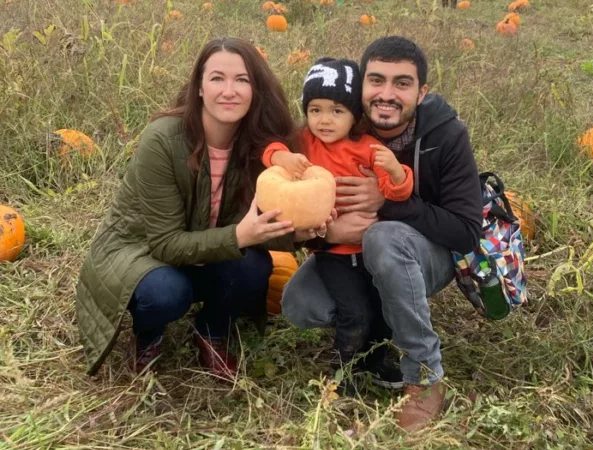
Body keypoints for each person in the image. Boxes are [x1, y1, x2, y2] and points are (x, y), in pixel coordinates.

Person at [75, 37, 324, 379]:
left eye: (242, 80)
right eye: (217, 78)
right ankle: (148, 334)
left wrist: (296, 233)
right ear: (200, 89)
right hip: (142, 252)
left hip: (209, 248)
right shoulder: (163, 139)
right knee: (165, 293)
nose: (229, 90)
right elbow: (164, 243)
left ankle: (211, 331)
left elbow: (257, 223)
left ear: (256, 91)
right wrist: (240, 235)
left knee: (255, 267)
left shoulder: (259, 149)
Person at [281, 36, 483, 431]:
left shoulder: (446, 136)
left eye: (402, 83)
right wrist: (323, 234)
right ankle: (372, 344)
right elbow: (293, 208)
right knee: (300, 303)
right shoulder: (330, 129)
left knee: (383, 238)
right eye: (376, 80)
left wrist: (385, 202)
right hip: (346, 254)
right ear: (360, 86)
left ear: (421, 92)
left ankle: (424, 374)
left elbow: (465, 232)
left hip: (423, 257)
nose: (386, 94)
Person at [260, 58, 414, 374]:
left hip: (371, 251)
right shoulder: (302, 143)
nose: (324, 120)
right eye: (315, 110)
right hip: (333, 253)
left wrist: (397, 173)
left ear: (354, 114)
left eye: (336, 111)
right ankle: (341, 373)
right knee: (354, 313)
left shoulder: (368, 148)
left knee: (382, 308)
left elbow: (397, 192)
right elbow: (269, 148)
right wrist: (281, 156)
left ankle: (377, 361)